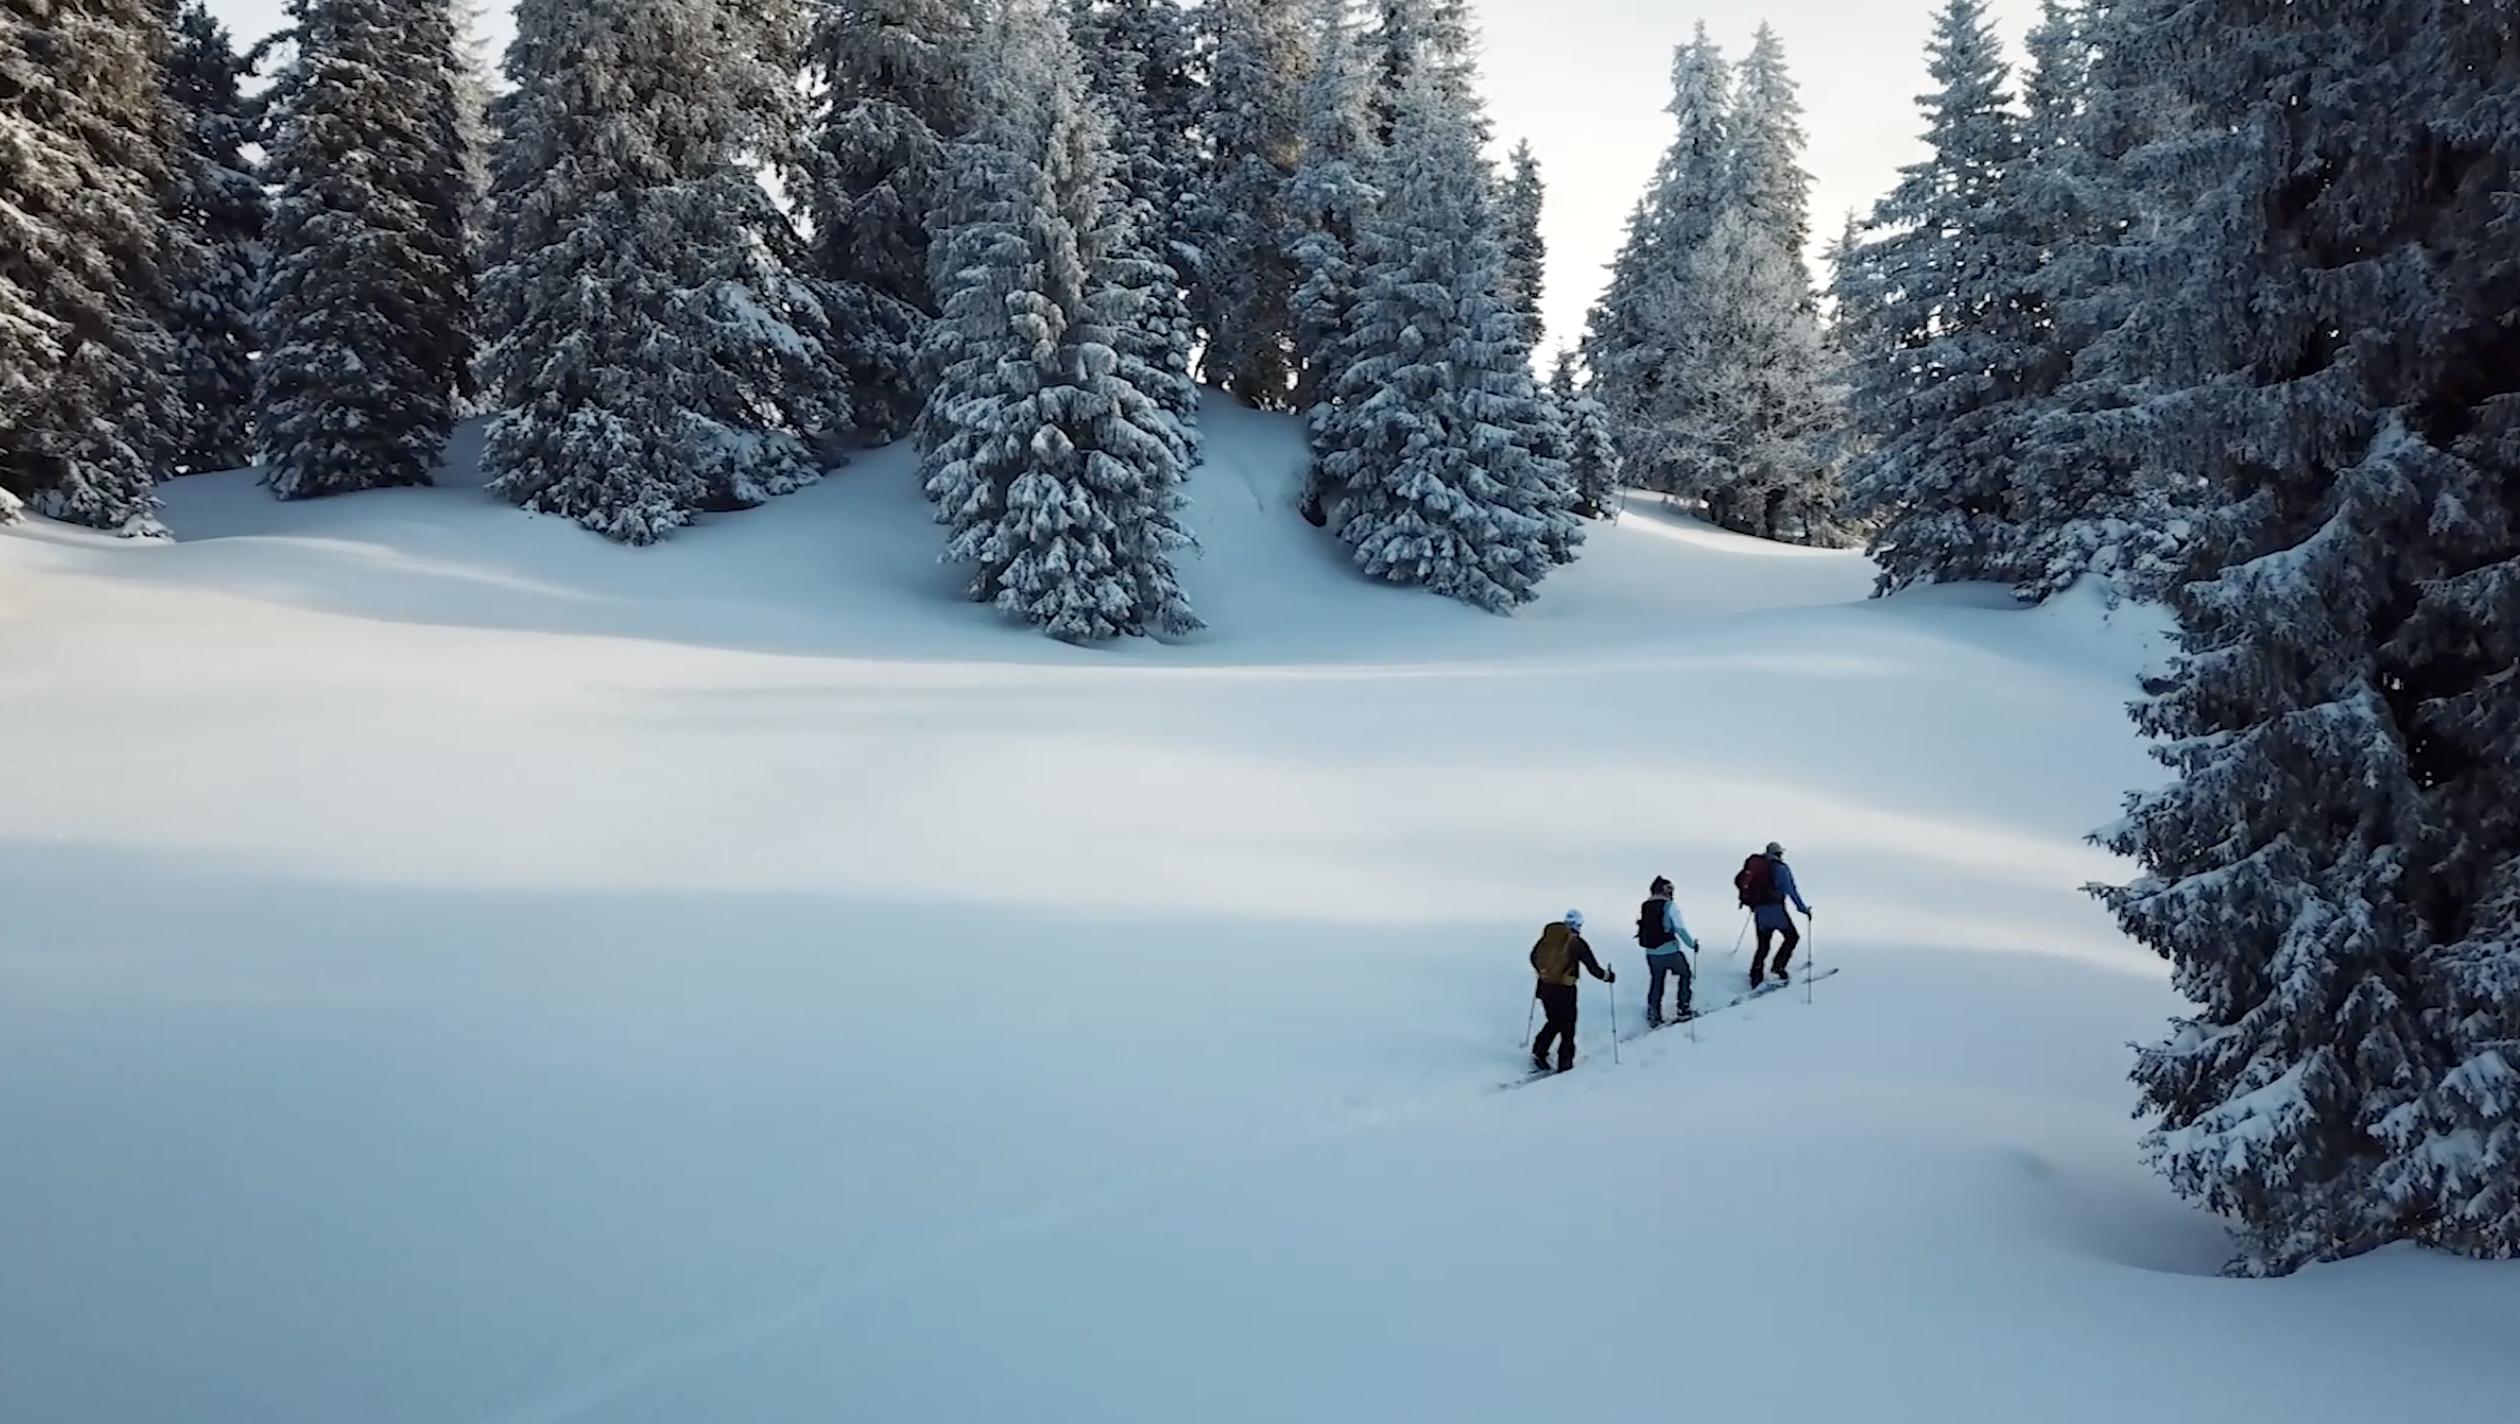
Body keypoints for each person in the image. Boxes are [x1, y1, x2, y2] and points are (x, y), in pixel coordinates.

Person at [1529, 910, 1613, 1072]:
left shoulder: (1547, 937)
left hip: (1545, 986)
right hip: (1565, 989)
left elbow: (1533, 957)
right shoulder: (1576, 942)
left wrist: (1544, 972)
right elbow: (1592, 967)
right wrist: (1607, 976)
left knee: (1553, 1020)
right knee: (1568, 1028)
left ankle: (1539, 1051)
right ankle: (1565, 1065)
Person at [1738, 842, 1813, 989]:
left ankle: (1756, 974)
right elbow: (1791, 890)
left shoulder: (1758, 866)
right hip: (1776, 911)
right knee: (1792, 937)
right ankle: (1778, 968)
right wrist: (1803, 909)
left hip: (1760, 912)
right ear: (1779, 854)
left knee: (1763, 945)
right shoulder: (1781, 869)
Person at [1636, 876, 1702, 1025]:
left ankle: (1654, 1013)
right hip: (1669, 950)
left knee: (1657, 980)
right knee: (1685, 974)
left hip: (1651, 952)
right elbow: (1679, 928)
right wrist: (1692, 945)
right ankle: (1683, 1008)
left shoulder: (1646, 905)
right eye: (1670, 889)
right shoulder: (1670, 906)